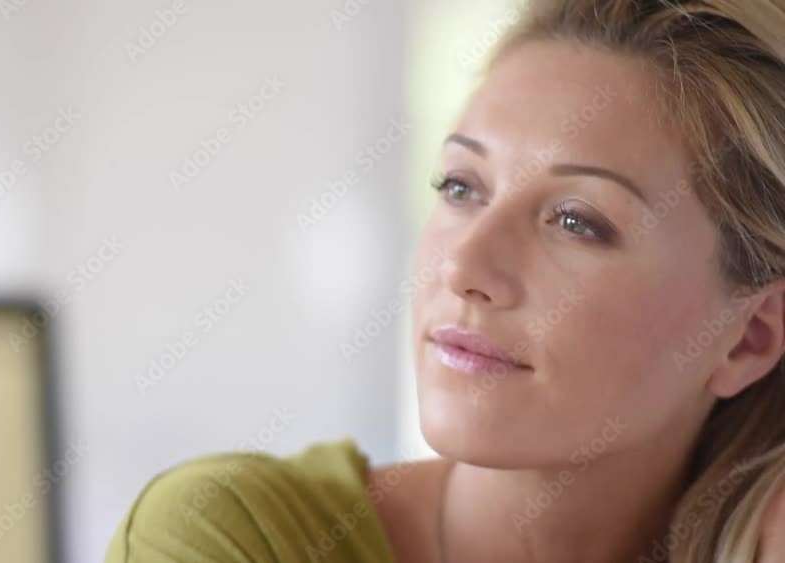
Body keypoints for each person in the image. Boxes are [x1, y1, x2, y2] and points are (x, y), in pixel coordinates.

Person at [104, 0, 785, 561]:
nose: (462, 266)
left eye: (576, 221)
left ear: (748, 338)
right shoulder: (230, 534)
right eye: (462, 186)